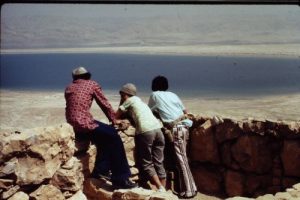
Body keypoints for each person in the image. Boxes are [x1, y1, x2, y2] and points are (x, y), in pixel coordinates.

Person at [65, 66, 137, 189]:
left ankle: (101, 170)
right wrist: (114, 120)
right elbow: (104, 103)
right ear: (87, 76)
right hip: (85, 123)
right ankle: (121, 178)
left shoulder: (69, 87)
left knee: (104, 137)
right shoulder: (91, 84)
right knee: (113, 136)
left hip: (73, 124)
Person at [148, 75, 197, 198]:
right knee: (183, 159)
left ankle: (190, 191)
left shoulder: (154, 95)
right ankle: (188, 188)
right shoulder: (173, 95)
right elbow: (186, 111)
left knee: (182, 161)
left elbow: (149, 112)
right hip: (185, 127)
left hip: (175, 129)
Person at [115, 83, 167, 192]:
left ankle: (159, 187)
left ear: (124, 94)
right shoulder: (139, 101)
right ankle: (164, 190)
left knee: (147, 162)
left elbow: (116, 115)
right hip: (158, 129)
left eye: (121, 94)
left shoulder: (129, 101)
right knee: (159, 161)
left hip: (146, 131)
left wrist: (122, 101)